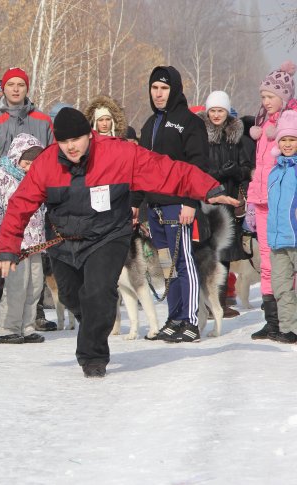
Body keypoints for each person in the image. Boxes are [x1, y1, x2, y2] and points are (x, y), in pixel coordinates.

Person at [0, 108, 237, 378]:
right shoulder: (46, 164)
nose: (71, 147)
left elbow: (165, 171)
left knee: (97, 291)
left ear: (90, 134)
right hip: (64, 240)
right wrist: (7, 248)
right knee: (72, 296)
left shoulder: (119, 154)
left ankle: (93, 356)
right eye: (64, 141)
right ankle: (95, 320)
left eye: (76, 139)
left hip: (107, 236)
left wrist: (209, 187)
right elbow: (20, 205)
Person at [132, 66, 210, 343]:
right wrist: (135, 203)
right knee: (167, 266)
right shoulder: (149, 125)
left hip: (179, 206)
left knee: (184, 261)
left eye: (163, 88)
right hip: (154, 208)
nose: (158, 94)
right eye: (154, 88)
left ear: (174, 90)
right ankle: (174, 318)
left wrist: (191, 201)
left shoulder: (189, 123)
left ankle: (190, 321)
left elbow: (199, 165)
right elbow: (139, 167)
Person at [246, 61, 297, 340]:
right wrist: (252, 204)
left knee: (287, 261)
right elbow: (259, 165)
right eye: (263, 97)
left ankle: (290, 318)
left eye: (270, 97)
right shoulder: (262, 124)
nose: (266, 102)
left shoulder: (289, 125)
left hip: (284, 203)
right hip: (263, 199)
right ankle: (273, 320)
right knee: (267, 260)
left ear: (284, 97)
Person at [196, 90, 253, 318]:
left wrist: (235, 170)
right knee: (206, 248)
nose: (217, 114)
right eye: (213, 110)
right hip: (205, 198)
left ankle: (220, 300)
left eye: (221, 110)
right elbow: (196, 165)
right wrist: (217, 172)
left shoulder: (236, 136)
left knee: (225, 251)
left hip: (228, 199)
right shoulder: (199, 134)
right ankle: (206, 301)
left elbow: (247, 168)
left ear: (227, 111)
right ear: (207, 111)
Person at [0, 134, 46, 344]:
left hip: (36, 243)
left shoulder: (38, 179)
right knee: (15, 287)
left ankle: (27, 326)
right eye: (27, 163)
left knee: (35, 286)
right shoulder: (0, 176)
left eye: (35, 164)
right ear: (16, 157)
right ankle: (6, 327)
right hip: (13, 245)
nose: (30, 168)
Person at [0, 67, 54, 175]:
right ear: (3, 89)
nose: (16, 89)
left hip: (37, 184)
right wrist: (6, 179)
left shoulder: (43, 120)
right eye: (11, 84)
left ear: (27, 89)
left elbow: (53, 157)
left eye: (21, 85)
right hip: (1, 185)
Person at [266, 110, 297, 343]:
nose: (287, 144)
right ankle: (289, 329)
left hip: (295, 238)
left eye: (292, 139)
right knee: (281, 286)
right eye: (284, 139)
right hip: (277, 239)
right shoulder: (274, 171)